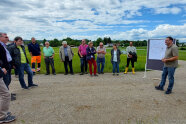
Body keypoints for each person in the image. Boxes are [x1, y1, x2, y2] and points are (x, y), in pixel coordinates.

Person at [0, 32, 16, 101]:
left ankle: (7, 93)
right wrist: (1, 67)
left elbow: (7, 56)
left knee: (8, 80)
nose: (7, 38)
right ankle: (6, 96)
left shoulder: (4, 45)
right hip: (3, 67)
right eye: (5, 37)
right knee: (5, 81)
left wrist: (12, 64)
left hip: (8, 65)